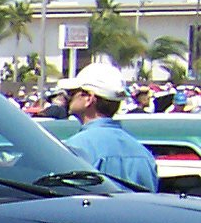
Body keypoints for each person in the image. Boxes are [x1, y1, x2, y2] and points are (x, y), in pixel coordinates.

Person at [64, 61, 159, 191]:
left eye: (73, 93)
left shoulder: (77, 147)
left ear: (89, 98)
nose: (69, 97)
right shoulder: (143, 153)